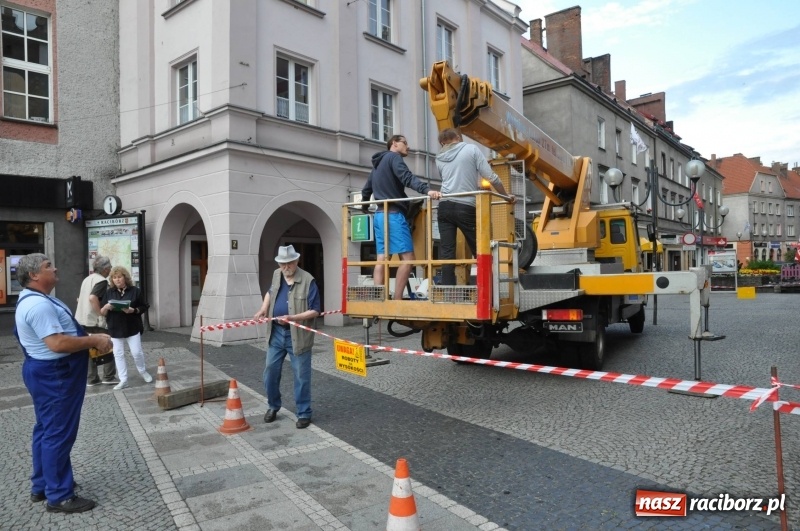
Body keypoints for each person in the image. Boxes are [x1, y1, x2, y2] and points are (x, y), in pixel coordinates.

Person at [14, 253, 113, 513]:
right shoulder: (39, 305)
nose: (55, 268)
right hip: (56, 374)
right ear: (34, 275)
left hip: (44, 372)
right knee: (58, 433)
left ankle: (43, 485)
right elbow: (57, 343)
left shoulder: (34, 299)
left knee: (46, 429)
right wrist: (94, 340)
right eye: (48, 266)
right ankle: (58, 495)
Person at [361, 134, 442, 299]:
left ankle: (380, 299)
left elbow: (366, 189)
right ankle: (397, 299)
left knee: (382, 258)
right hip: (393, 215)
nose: (408, 146)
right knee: (408, 259)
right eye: (405, 142)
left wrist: (364, 205)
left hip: (379, 215)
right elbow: (407, 178)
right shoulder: (394, 158)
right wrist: (427, 190)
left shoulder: (377, 164)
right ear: (394, 144)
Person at [435, 128, 516, 285]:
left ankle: (448, 291)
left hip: (444, 206)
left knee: (447, 251)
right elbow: (491, 177)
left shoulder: (439, 157)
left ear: (442, 142)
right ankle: (486, 290)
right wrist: (506, 196)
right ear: (458, 137)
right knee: (479, 248)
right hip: (465, 206)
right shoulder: (470, 149)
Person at [254, 245, 321, 429]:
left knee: (301, 375)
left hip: (297, 336)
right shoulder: (277, 275)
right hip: (275, 334)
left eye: (289, 263)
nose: (285, 267)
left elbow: (315, 310)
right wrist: (263, 309)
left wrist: (292, 319)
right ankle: (273, 406)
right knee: (270, 372)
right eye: (282, 264)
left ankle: (304, 413)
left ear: (296, 261)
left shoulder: (308, 280)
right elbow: (270, 292)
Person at [99, 266, 151, 390]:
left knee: (136, 352)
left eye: (119, 277)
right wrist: (106, 307)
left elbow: (144, 306)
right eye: (114, 278)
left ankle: (142, 371)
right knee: (118, 354)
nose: (117, 280)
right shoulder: (109, 292)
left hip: (132, 326)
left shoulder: (135, 291)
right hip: (115, 327)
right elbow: (102, 312)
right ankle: (123, 379)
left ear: (125, 278)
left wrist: (134, 310)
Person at [75, 255, 118, 386]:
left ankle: (92, 378)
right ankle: (108, 376)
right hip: (94, 320)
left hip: (82, 318)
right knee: (108, 344)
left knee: (88, 347)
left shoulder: (87, 279)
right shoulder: (101, 281)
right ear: (105, 269)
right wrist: (100, 313)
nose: (110, 269)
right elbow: (93, 297)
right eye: (109, 267)